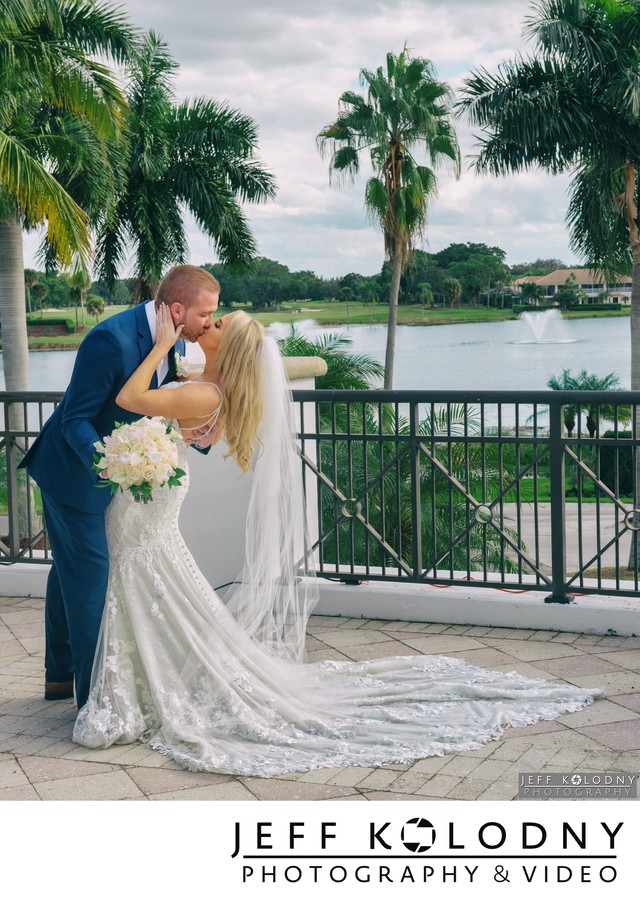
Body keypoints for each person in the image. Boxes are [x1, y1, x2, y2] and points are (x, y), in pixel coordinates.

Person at [72, 307, 603, 777]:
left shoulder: (205, 390)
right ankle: (153, 675)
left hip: (152, 499)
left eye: (219, 323)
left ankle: (145, 681)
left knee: (150, 579)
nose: (210, 322)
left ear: (228, 348)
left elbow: (129, 397)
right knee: (159, 583)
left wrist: (162, 345)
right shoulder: (206, 382)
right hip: (155, 494)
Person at [20, 265, 220, 709]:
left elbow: (151, 407)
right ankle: (95, 701)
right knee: (91, 578)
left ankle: (58, 675)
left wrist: (190, 437)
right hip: (74, 477)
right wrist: (111, 466)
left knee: (68, 572)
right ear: (176, 309)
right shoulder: (110, 339)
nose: (210, 322)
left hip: (115, 476)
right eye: (206, 314)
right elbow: (74, 418)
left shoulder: (172, 342)